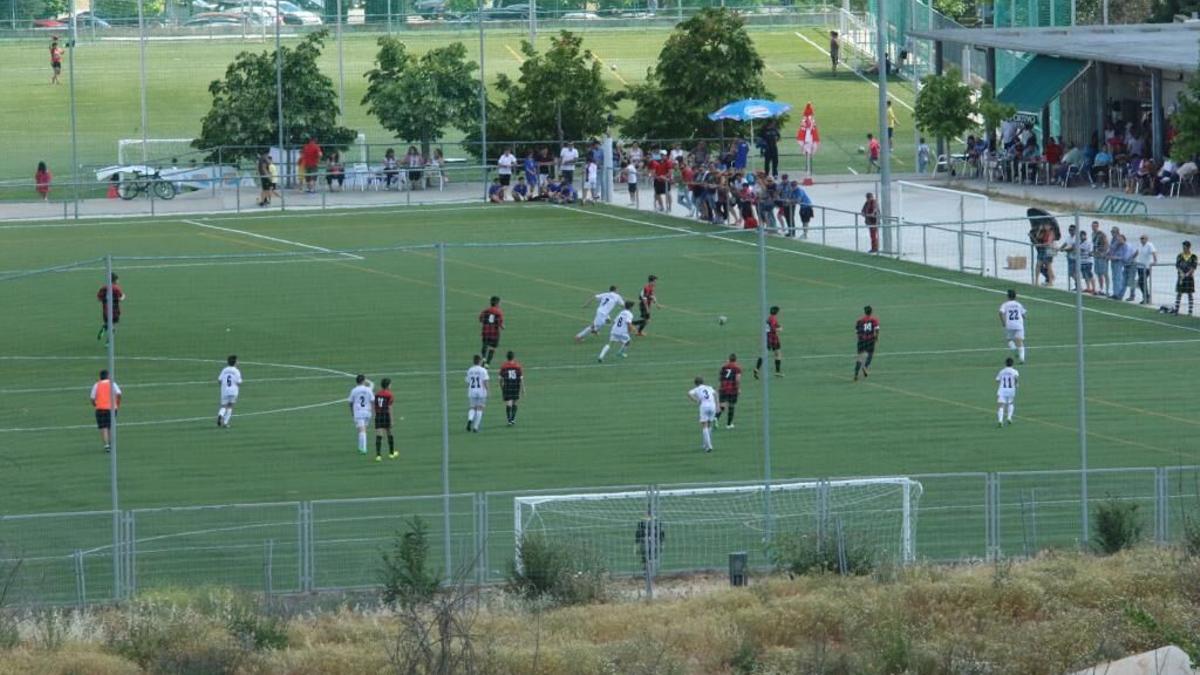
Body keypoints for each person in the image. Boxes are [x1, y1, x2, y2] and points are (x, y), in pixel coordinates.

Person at [90, 369, 122, 453]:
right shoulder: (112, 384)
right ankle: (112, 444)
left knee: (103, 427)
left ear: (100, 377)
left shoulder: (97, 385)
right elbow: (119, 393)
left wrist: (95, 404)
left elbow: (92, 398)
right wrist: (117, 403)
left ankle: (106, 445)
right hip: (111, 408)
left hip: (100, 408)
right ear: (108, 376)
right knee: (110, 426)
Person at [687, 376, 718, 453]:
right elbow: (716, 393)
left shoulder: (697, 389)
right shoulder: (709, 387)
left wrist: (696, 400)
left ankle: (709, 446)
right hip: (712, 405)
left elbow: (689, 393)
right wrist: (717, 404)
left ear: (695, 383)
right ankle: (705, 444)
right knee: (709, 425)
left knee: (704, 426)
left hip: (704, 406)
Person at [348, 374, 374, 455]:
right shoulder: (368, 389)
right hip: (367, 412)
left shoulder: (354, 390)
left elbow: (350, 402)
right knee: (363, 430)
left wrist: (352, 412)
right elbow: (373, 400)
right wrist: (372, 411)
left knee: (361, 430)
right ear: (363, 381)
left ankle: (364, 449)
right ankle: (360, 447)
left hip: (358, 412)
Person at [753, 305, 782, 379]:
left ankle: (756, 369)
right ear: (777, 312)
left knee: (765, 354)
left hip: (767, 337)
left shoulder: (769, 318)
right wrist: (779, 329)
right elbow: (773, 328)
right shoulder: (773, 319)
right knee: (777, 354)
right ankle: (777, 372)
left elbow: (774, 325)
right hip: (772, 338)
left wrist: (779, 326)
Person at [999, 289, 1027, 364]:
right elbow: (1024, 314)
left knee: (1009, 340)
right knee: (1020, 341)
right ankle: (1022, 358)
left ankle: (1014, 350)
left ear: (1008, 296)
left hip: (1010, 324)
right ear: (1015, 296)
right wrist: (1023, 317)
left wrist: (1003, 322)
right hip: (1019, 324)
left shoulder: (1005, 304)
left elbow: (1001, 312)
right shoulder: (1018, 304)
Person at [96, 273, 125, 343]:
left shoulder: (103, 288)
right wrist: (124, 296)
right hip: (115, 310)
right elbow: (120, 298)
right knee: (113, 326)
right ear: (115, 280)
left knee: (108, 323)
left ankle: (104, 328)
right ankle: (108, 342)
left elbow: (98, 299)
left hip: (106, 310)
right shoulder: (116, 288)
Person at [853, 305, 880, 381]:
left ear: (865, 312)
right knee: (870, 354)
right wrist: (876, 337)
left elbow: (857, 331)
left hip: (861, 340)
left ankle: (856, 374)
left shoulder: (859, 321)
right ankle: (865, 367)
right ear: (871, 312)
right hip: (870, 340)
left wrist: (860, 338)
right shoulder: (874, 320)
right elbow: (877, 329)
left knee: (860, 357)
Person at [498, 351, 524, 426]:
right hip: (516, 385)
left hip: (507, 385)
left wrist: (501, 387)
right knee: (515, 402)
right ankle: (513, 419)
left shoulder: (504, 366)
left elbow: (500, 379)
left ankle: (509, 420)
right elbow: (521, 378)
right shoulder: (518, 366)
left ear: (507, 357)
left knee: (509, 403)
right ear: (513, 357)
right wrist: (523, 389)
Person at [374, 378, 397, 461]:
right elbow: (390, 407)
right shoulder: (390, 395)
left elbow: (375, 405)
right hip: (386, 415)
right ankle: (391, 453)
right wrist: (391, 419)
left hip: (378, 415)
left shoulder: (377, 394)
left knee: (379, 435)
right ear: (388, 386)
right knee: (389, 433)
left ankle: (378, 455)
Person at [216, 355, 242, 428]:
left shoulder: (224, 370)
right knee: (230, 406)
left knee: (224, 406)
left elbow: (219, 380)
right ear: (235, 362)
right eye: (237, 361)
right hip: (233, 391)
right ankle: (225, 423)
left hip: (225, 390)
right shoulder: (236, 371)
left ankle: (220, 414)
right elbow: (239, 382)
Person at [716, 353, 741, 430]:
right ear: (735, 360)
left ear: (729, 359)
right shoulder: (737, 368)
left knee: (722, 406)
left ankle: (715, 418)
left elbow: (720, 378)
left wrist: (720, 387)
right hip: (732, 389)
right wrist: (738, 388)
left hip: (723, 388)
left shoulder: (723, 367)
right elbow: (737, 379)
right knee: (731, 406)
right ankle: (729, 424)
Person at [465, 355, 489, 432]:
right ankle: (475, 427)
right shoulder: (483, 370)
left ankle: (470, 419)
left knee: (472, 407)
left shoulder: (470, 370)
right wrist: (488, 390)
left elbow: (468, 382)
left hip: (472, 391)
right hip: (481, 392)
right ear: (480, 361)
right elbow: (485, 381)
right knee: (480, 408)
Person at [478, 295, 504, 366]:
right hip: (494, 333)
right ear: (496, 303)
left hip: (485, 331)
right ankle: (488, 363)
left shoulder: (485, 311)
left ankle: (483, 357)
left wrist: (485, 322)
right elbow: (500, 323)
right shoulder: (499, 312)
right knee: (492, 347)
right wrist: (502, 327)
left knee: (485, 344)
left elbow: (480, 319)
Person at [1174, 240, 1197, 316]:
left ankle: (1190, 311)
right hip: (1181, 277)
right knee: (1179, 293)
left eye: (1185, 247)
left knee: (1190, 293)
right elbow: (1177, 266)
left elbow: (1194, 267)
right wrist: (1181, 273)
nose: (1183, 249)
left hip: (1189, 278)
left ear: (1188, 247)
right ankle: (1176, 310)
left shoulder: (1193, 256)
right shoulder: (1180, 256)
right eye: (1183, 247)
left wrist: (1187, 274)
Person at [995, 357, 1019, 427]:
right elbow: (1016, 378)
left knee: (1001, 405)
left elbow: (997, 380)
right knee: (1011, 403)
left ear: (1005, 363)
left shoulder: (1002, 371)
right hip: (1011, 389)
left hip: (1002, 390)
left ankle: (1000, 421)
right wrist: (1017, 384)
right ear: (1012, 364)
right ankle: (1009, 417)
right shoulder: (1015, 371)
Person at [1134, 234, 1158, 304]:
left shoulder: (1149, 245)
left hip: (1146, 267)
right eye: (1141, 239)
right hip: (1140, 266)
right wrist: (1132, 258)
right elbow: (1137, 252)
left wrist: (1155, 261)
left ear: (1146, 239)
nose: (1142, 240)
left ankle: (1146, 297)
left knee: (1141, 281)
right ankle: (1146, 297)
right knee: (1142, 283)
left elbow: (1154, 252)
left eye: (1143, 238)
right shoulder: (1140, 245)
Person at [1108, 230, 1130, 300]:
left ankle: (1119, 294)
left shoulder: (1126, 246)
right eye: (1117, 240)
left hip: (1120, 263)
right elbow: (1111, 249)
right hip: (1113, 262)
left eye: (1120, 239)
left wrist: (1117, 257)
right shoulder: (1116, 245)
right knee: (1114, 278)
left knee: (1119, 278)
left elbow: (1125, 257)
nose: (1118, 241)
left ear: (1123, 239)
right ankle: (1115, 293)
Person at [1090, 221, 1109, 296]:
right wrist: (1093, 252)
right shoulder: (1092, 234)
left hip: (1101, 256)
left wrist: (1103, 253)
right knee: (1098, 273)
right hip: (1096, 255)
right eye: (1092, 226)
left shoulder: (1102, 234)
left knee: (1104, 272)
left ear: (1098, 226)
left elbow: (1106, 244)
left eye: (1095, 226)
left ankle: (1106, 289)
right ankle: (1101, 288)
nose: (1093, 227)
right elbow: (1094, 245)